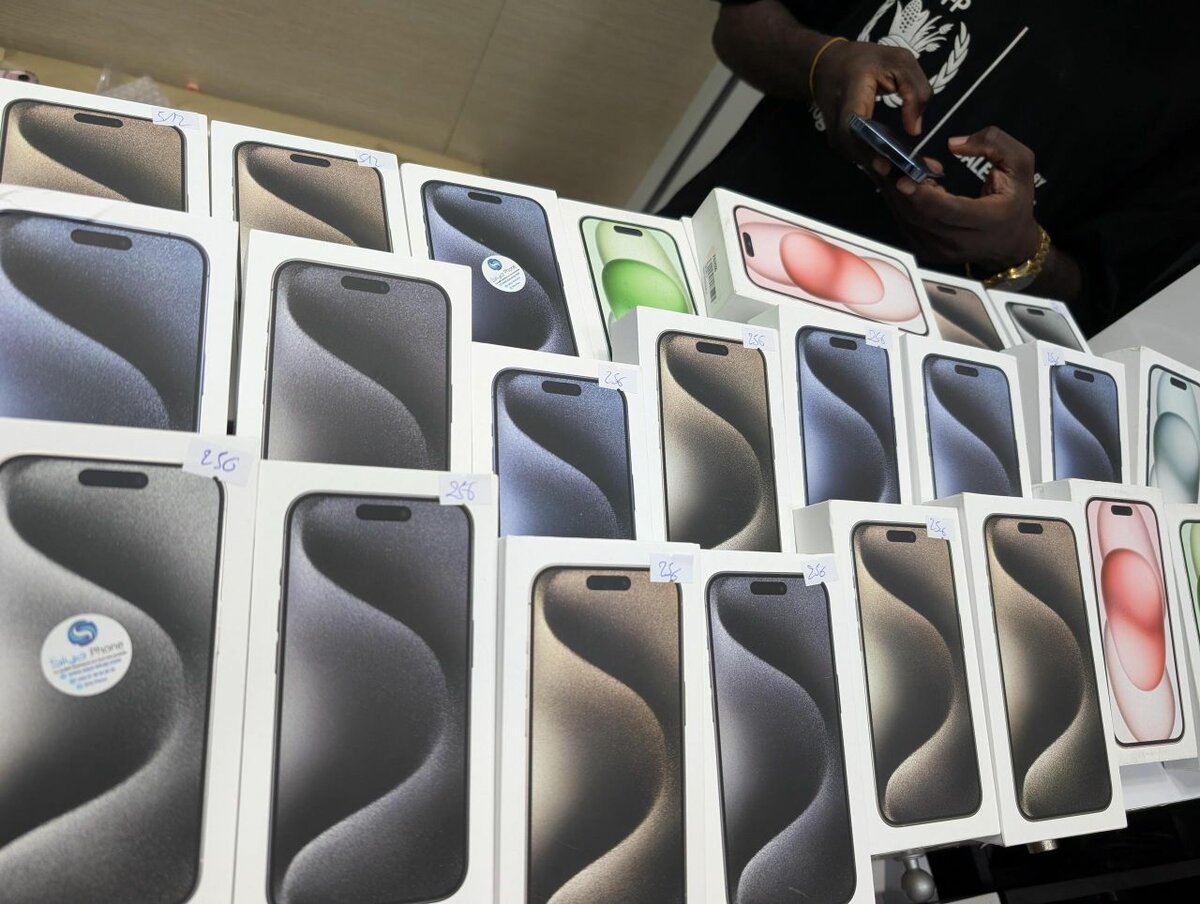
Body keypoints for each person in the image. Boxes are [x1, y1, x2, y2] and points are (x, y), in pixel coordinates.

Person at [663, 0, 1200, 334]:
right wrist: (823, 62)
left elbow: (1100, 303)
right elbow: (740, 24)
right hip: (701, 248)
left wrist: (1019, 250)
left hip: (882, 371)